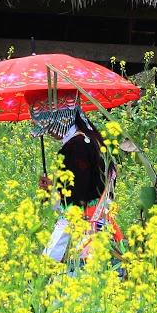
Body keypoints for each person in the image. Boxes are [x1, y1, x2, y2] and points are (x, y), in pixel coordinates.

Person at [39, 110, 120, 264]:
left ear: (61, 119)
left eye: (49, 124)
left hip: (84, 228)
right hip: (102, 223)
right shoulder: (94, 139)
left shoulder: (75, 147)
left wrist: (52, 193)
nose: (49, 131)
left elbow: (71, 204)